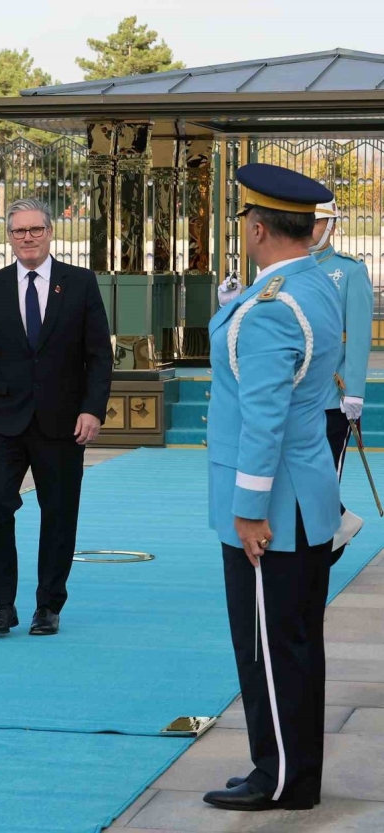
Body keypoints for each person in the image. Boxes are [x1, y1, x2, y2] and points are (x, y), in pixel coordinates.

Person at [203, 164, 342, 811]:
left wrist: (250, 510)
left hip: (273, 510)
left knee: (268, 647)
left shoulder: (272, 309)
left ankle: (280, 776)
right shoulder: (312, 284)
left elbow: (264, 419)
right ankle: (290, 768)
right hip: (303, 494)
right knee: (294, 641)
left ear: (257, 228)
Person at [0, 197, 113, 637]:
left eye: (35, 230)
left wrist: (92, 409)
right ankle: (2, 605)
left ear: (50, 232)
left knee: (59, 513)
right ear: (9, 237)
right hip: (4, 420)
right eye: (18, 231)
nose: (27, 238)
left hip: (63, 421)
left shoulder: (80, 283)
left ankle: (48, 605)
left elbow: (98, 356)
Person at [310, 200, 373, 558]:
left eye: (317, 222)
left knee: (325, 473)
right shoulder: (288, 269)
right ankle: (338, 523)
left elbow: (359, 336)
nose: (310, 228)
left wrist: (355, 391)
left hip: (332, 395)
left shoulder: (348, 271)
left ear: (332, 225)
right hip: (295, 395)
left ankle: (328, 540)